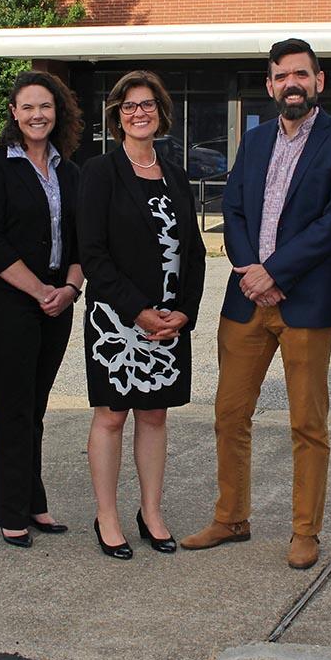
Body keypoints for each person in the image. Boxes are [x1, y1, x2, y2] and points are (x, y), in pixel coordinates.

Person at [180, 39, 331, 570]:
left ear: (319, 81)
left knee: (308, 423)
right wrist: (252, 272)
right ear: (270, 85)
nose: (292, 83)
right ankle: (230, 517)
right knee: (229, 415)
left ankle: (305, 531)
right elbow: (233, 207)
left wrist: (277, 272)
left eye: (301, 75)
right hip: (246, 300)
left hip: (305, 302)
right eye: (282, 75)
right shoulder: (256, 139)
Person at [78, 70, 206, 560]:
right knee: (112, 416)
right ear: (117, 115)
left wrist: (184, 313)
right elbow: (93, 253)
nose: (139, 112)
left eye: (147, 104)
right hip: (117, 322)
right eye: (129, 105)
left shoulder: (175, 172)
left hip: (171, 322)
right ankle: (107, 516)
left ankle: (151, 512)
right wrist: (138, 311)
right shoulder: (99, 172)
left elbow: (193, 252)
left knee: (154, 414)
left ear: (160, 111)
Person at [0, 71, 84, 548]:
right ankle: (11, 510)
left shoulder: (71, 171)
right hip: (6, 303)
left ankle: (34, 502)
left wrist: (71, 290)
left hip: (58, 304)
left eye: (46, 107)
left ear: (58, 113)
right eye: (28, 107)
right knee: (13, 406)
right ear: (14, 113)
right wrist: (40, 290)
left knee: (35, 407)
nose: (38, 115)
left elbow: (83, 240)